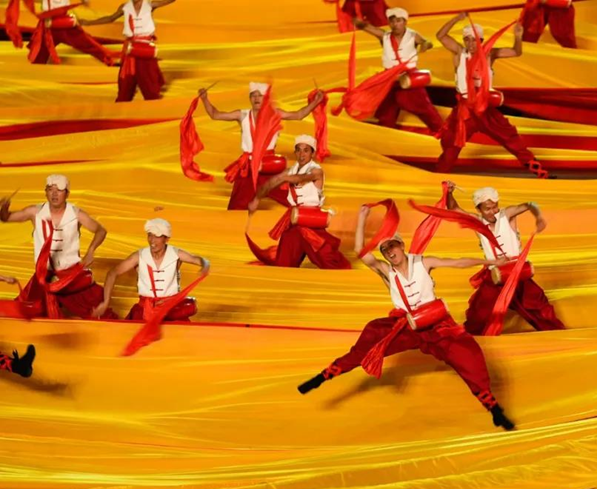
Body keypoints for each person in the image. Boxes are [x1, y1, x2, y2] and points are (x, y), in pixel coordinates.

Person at [297, 203, 516, 431]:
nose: (390, 252)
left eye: (392, 246)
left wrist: (490, 262)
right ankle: (323, 376)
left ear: (401, 246)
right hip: (407, 325)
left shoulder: (423, 262)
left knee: (468, 355)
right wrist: (362, 218)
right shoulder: (386, 271)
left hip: (438, 326)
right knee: (369, 342)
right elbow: (361, 251)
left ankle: (494, 409)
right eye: (385, 250)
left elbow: (458, 262)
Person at [434, 13, 546, 177]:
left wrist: (518, 36)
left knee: (511, 138)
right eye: (467, 39)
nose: (471, 43)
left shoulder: (489, 54)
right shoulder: (459, 53)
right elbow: (440, 36)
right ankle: (438, 176)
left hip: (485, 110)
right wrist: (457, 19)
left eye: (474, 40)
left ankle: (540, 172)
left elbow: (516, 52)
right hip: (465, 112)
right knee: (451, 145)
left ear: (481, 41)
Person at [446, 184, 564, 335]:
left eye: (495, 207)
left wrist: (538, 217)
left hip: (517, 273)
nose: (493, 211)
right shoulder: (477, 222)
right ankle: (472, 337)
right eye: (487, 209)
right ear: (479, 209)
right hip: (496, 276)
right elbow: (453, 209)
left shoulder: (507, 215)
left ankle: (556, 333)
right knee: (480, 311)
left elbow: (531, 204)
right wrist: (449, 193)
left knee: (537, 306)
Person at [0, 175, 113, 319]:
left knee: (98, 312)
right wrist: (3, 209)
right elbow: (6, 218)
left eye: (59, 190)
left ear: (67, 193)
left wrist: (91, 250)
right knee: (24, 313)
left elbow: (101, 230)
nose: (54, 194)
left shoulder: (76, 214)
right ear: (45, 192)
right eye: (50, 189)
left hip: (70, 276)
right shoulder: (35, 212)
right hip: (44, 276)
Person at [199, 83, 324, 210]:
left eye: (260, 96)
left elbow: (299, 115)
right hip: (248, 166)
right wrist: (205, 99)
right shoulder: (242, 115)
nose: (256, 98)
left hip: (269, 165)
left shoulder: (275, 114)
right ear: (250, 98)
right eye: (253, 95)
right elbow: (215, 114)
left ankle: (309, 215)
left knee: (291, 198)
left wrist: (316, 102)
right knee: (236, 205)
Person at [247, 135, 351, 269]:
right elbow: (271, 183)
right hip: (295, 222)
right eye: (299, 150)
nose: (302, 154)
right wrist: (256, 199)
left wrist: (283, 178)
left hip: (311, 222)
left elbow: (299, 179)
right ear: (295, 152)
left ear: (312, 153)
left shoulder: (316, 171)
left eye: (306, 150)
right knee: (283, 263)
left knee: (328, 259)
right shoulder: (290, 171)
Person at [93, 218, 210, 320]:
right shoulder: (139, 256)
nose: (152, 240)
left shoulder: (176, 254)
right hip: (144, 310)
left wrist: (205, 266)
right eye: (150, 235)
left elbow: (201, 260)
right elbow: (112, 273)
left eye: (157, 236)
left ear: (166, 239)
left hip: (170, 310)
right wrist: (105, 302)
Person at [355, 7, 443, 133]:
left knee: (422, 105)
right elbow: (368, 28)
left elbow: (427, 42)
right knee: (387, 109)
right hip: (390, 77)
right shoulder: (384, 36)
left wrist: (425, 45)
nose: (395, 24)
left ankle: (440, 130)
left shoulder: (412, 35)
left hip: (409, 76)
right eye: (392, 22)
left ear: (405, 22)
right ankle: (386, 134)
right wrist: (359, 23)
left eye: (398, 21)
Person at [80, 0, 178, 102]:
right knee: (125, 86)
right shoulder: (125, 7)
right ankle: (123, 105)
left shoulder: (150, 4)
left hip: (145, 50)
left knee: (150, 86)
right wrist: (88, 22)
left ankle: (154, 106)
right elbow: (110, 18)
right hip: (130, 51)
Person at [22, 0, 116, 65]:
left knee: (88, 43)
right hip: (49, 25)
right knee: (39, 55)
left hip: (65, 24)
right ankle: (37, 74)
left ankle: (109, 59)